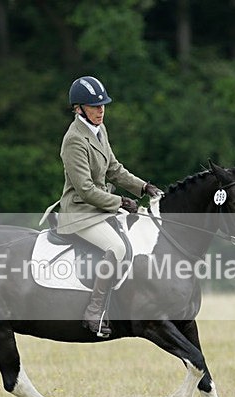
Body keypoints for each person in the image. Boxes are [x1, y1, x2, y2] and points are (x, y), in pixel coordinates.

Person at [57, 75, 162, 337]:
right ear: (79, 108)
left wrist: (143, 187)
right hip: (80, 212)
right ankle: (94, 312)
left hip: (100, 208)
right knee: (117, 247)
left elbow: (114, 169)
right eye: (94, 106)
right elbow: (85, 189)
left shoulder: (99, 130)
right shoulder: (74, 140)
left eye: (103, 105)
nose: (101, 110)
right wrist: (121, 202)